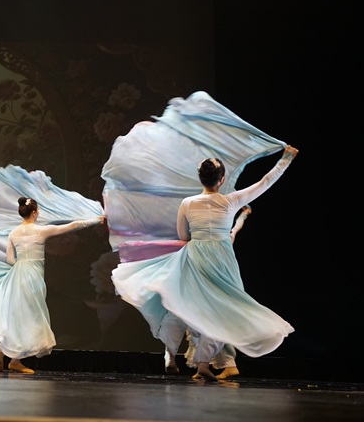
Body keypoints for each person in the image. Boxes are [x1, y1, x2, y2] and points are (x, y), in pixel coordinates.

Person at [111, 145, 299, 381]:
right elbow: (265, 182)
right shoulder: (231, 201)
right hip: (221, 259)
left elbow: (183, 236)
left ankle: (175, 356)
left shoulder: (188, 203)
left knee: (186, 307)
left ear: (200, 178)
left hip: (196, 256)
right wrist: (286, 158)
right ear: (222, 180)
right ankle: (204, 363)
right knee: (224, 310)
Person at [0, 196, 104, 373]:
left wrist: (21, 264)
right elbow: (72, 226)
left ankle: (1, 353)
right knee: (29, 317)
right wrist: (95, 220)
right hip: (33, 276)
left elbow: (10, 260)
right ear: (34, 213)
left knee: (15, 316)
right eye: (38, 210)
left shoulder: (14, 233)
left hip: (17, 274)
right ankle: (15, 360)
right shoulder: (41, 231)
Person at [166, 205, 252, 378]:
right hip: (208, 293)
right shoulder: (223, 241)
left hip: (209, 293)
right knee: (202, 327)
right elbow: (235, 228)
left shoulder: (199, 246)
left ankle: (226, 365)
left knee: (209, 327)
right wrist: (244, 215)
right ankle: (203, 365)